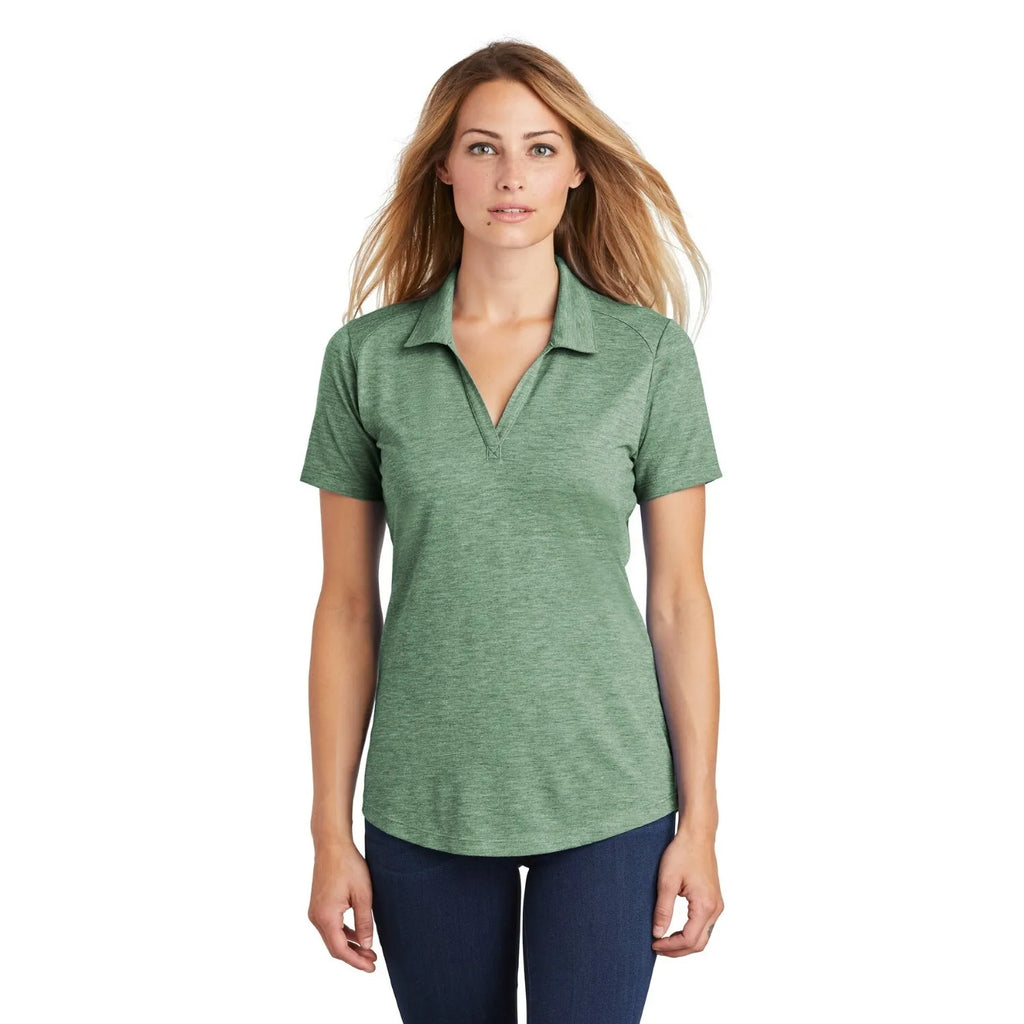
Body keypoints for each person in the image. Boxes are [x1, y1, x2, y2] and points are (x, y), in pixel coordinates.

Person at [301, 39, 725, 1024]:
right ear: (442, 168)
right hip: (424, 797)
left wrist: (701, 822)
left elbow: (678, 601)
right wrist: (328, 831)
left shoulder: (648, 356)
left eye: (539, 149)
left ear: (577, 169)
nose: (510, 177)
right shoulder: (366, 360)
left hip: (611, 793)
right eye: (482, 148)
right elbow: (347, 606)